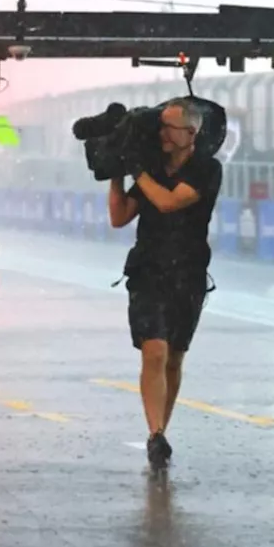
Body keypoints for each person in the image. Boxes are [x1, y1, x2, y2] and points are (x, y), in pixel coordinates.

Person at [108, 98, 223, 470]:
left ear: (191, 133)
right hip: (149, 271)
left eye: (169, 129)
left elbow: (171, 201)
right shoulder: (152, 169)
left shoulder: (207, 170)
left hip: (187, 274)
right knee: (153, 350)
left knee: (174, 357)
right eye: (160, 127)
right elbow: (120, 216)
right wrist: (114, 173)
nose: (162, 135)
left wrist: (136, 169)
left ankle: (160, 432)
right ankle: (156, 434)